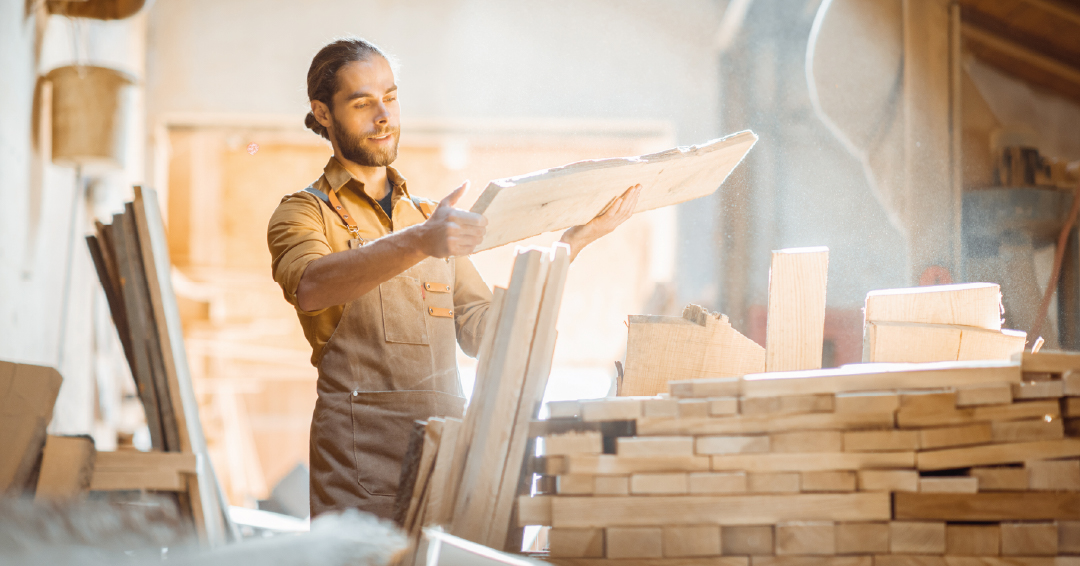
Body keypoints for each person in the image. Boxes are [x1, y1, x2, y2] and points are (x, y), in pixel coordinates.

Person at [267, 37, 640, 520]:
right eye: (363, 103)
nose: (384, 116)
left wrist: (570, 246)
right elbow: (311, 286)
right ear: (322, 112)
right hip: (360, 472)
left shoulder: (426, 217)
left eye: (391, 97)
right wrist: (420, 242)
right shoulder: (304, 212)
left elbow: (485, 334)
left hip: (447, 458)